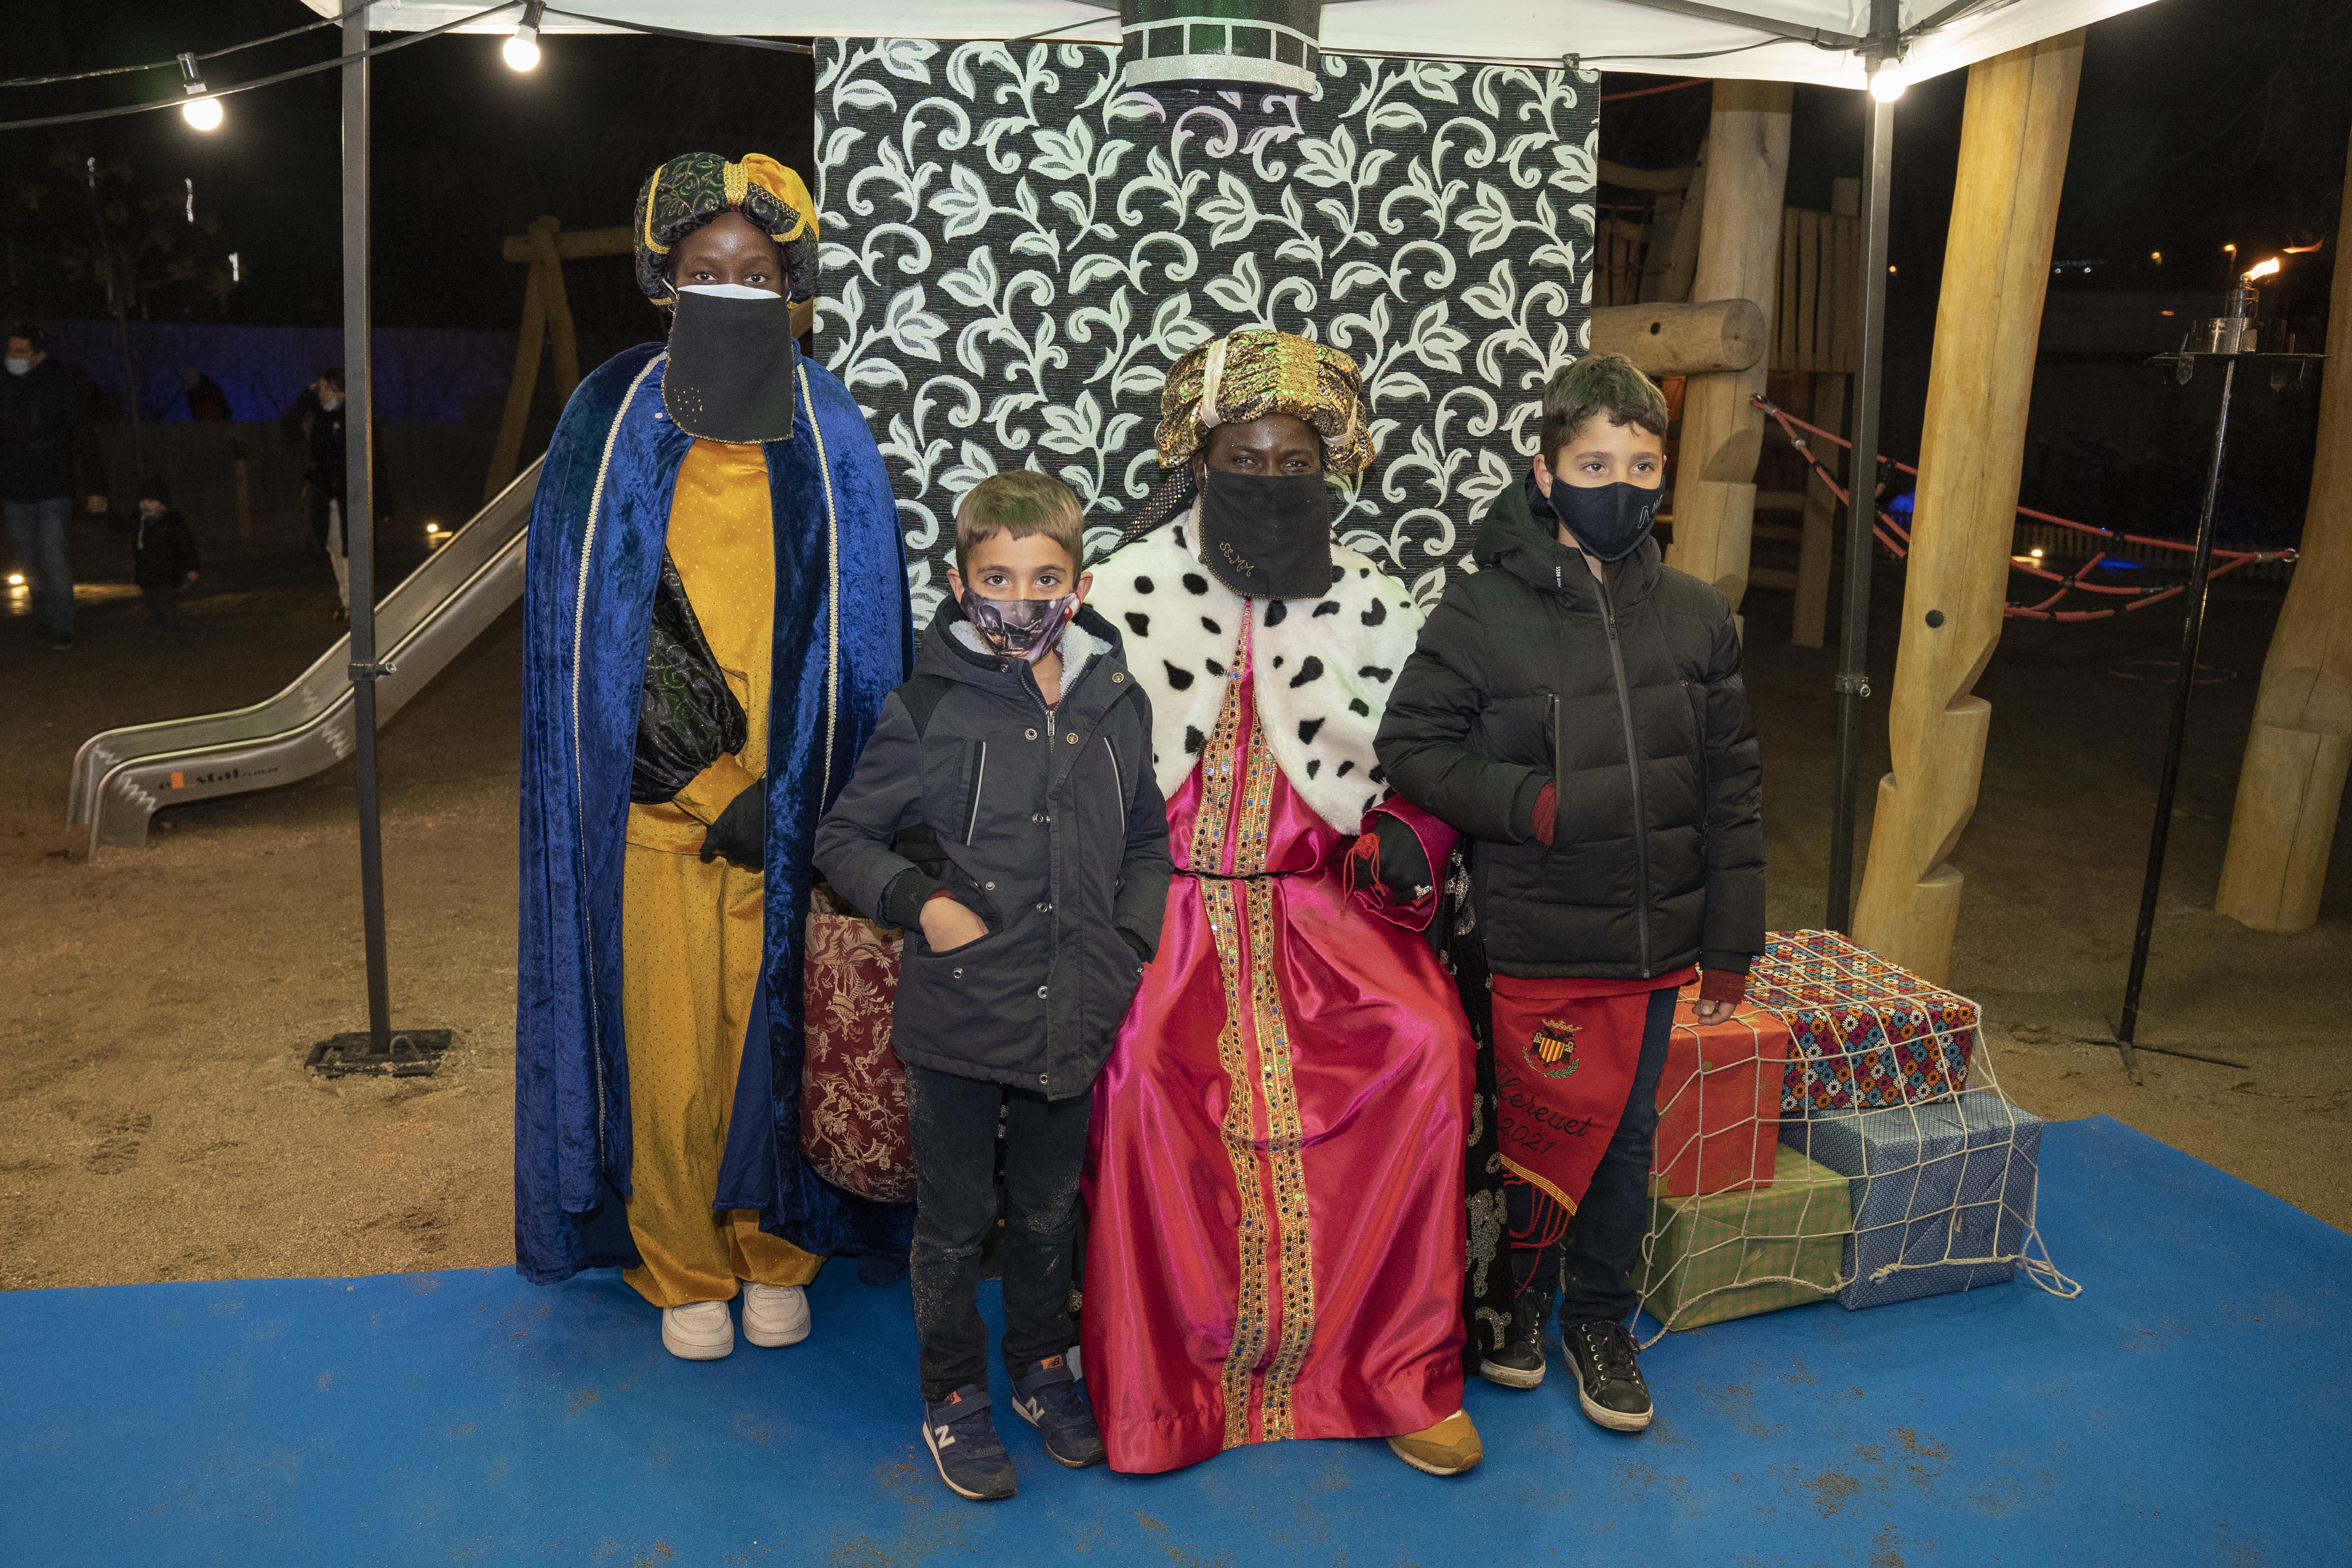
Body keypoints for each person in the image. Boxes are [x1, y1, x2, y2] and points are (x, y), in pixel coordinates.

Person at [513, 152, 915, 1360]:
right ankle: (683, 1257)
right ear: (664, 281)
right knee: (672, 1052)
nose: (731, 289)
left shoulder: (829, 426)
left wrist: (812, 796)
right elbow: (596, 634)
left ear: (792, 288)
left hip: (796, 820)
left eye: (755, 272)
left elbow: (862, 638)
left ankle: (776, 1251)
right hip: (656, 818)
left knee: (777, 1036)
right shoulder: (608, 420)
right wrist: (708, 782)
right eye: (705, 269)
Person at [1080, 329, 1483, 1478]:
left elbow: (1432, 757)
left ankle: (1396, 1373)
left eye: (1293, 460)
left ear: (1330, 465)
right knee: (1141, 1069)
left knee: (1426, 1042)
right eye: (1242, 458)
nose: (1268, 478)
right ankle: (1164, 1395)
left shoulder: (1369, 598)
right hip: (1165, 909)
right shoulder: (1121, 591)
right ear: (1197, 460)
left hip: (1323, 909)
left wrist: (1416, 827)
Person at [1375, 353, 1764, 1433]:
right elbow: (1410, 746)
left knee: (1627, 1139)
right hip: (1537, 932)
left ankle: (1599, 1317)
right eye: (1595, 465)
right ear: (1546, 474)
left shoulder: (1697, 615)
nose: (1620, 487)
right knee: (1534, 1132)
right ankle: (1519, 1306)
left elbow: (1732, 791)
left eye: (1642, 466)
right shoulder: (1481, 609)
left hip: (1656, 942)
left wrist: (1731, 941)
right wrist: (1529, 802)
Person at [815, 471, 1172, 1501]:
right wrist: (922, 903)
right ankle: (954, 1391)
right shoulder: (925, 707)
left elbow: (1146, 839)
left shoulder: (1116, 699)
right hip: (961, 1015)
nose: (1021, 599)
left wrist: (1130, 939)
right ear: (959, 581)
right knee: (956, 1221)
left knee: (1050, 1210)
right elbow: (844, 835)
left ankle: (1041, 1366)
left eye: (1044, 578)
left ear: (1079, 584)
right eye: (998, 578)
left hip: (1076, 1012)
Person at [2, 322, 108, 651]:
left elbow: (84, 437)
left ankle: (62, 625)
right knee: (30, 562)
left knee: (53, 558)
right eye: (10, 349)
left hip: (53, 487)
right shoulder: (5, 385)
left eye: (21, 351)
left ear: (38, 355)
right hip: (15, 490)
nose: (12, 356)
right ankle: (44, 618)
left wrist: (96, 488)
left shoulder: (60, 386)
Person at [124, 475, 200, 643]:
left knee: (166, 603)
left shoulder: (173, 522)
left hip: (167, 572)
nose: (145, 505)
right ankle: (159, 629)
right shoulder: (137, 521)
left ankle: (171, 632)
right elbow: (120, 524)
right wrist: (106, 513)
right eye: (143, 501)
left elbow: (186, 545)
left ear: (163, 505)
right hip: (146, 572)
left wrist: (192, 567)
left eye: (151, 501)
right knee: (151, 604)